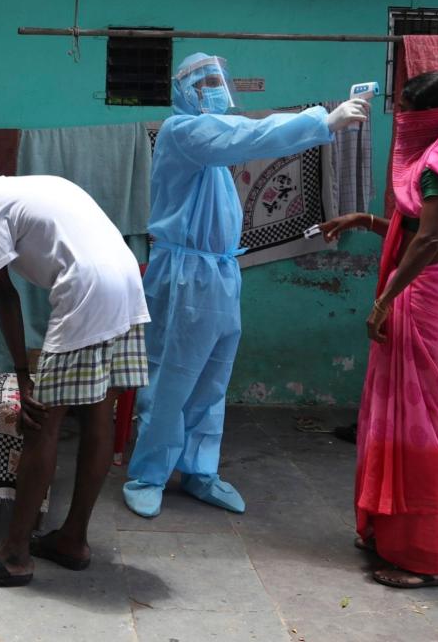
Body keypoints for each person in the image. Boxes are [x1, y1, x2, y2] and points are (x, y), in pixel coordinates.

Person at [123, 53, 369, 518]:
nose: (216, 88)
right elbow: (248, 135)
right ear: (184, 91)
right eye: (205, 82)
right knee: (172, 377)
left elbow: (237, 139)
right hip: (185, 274)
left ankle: (200, 471)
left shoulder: (212, 150)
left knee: (213, 378)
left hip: (220, 272)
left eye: (218, 79)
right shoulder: (185, 133)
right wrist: (323, 120)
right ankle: (148, 473)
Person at [0, 150, 150, 589]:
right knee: (97, 413)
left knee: (40, 422)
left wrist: (21, 373)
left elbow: (3, 293)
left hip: (86, 289)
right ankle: (72, 540)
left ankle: (14, 554)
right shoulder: (42, 184)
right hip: (128, 280)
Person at [320, 71, 438, 589]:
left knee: (421, 430)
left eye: (406, 109)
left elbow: (429, 241)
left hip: (423, 303)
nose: (398, 117)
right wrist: (365, 221)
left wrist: (384, 300)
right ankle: (390, 535)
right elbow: (417, 232)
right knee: (393, 421)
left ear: (426, 117)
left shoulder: (435, 165)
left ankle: (426, 557)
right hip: (424, 297)